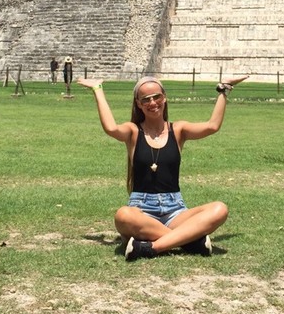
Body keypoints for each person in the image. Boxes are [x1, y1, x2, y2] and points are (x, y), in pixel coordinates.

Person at [77, 73, 248, 261]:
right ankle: (188, 241)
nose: (152, 103)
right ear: (139, 104)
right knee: (123, 216)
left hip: (175, 211)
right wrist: (97, 89)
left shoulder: (179, 130)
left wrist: (224, 89)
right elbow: (111, 128)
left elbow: (212, 126)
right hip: (141, 210)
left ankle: (151, 247)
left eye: (156, 97)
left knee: (219, 209)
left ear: (164, 97)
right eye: (146, 99)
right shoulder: (133, 131)